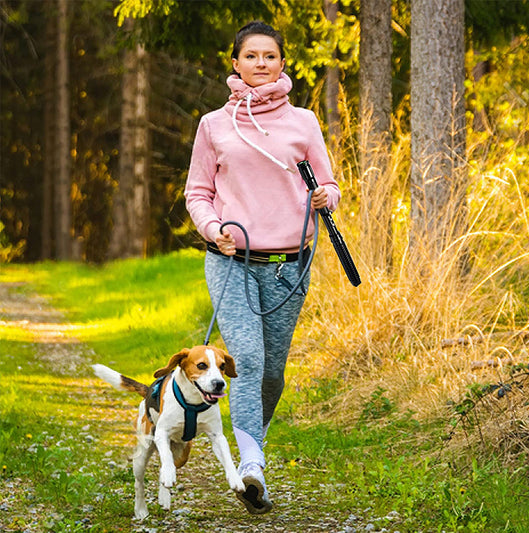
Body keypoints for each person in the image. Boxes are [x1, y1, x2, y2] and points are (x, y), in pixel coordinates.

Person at [184, 20, 340, 514]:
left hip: (288, 266)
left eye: (269, 56)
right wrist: (213, 230)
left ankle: (253, 441)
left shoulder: (305, 122)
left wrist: (325, 195)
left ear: (282, 62)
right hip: (231, 262)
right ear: (235, 63)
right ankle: (251, 466)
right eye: (250, 56)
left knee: (272, 372)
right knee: (246, 360)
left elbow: (330, 186)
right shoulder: (213, 125)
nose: (260, 64)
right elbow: (197, 193)